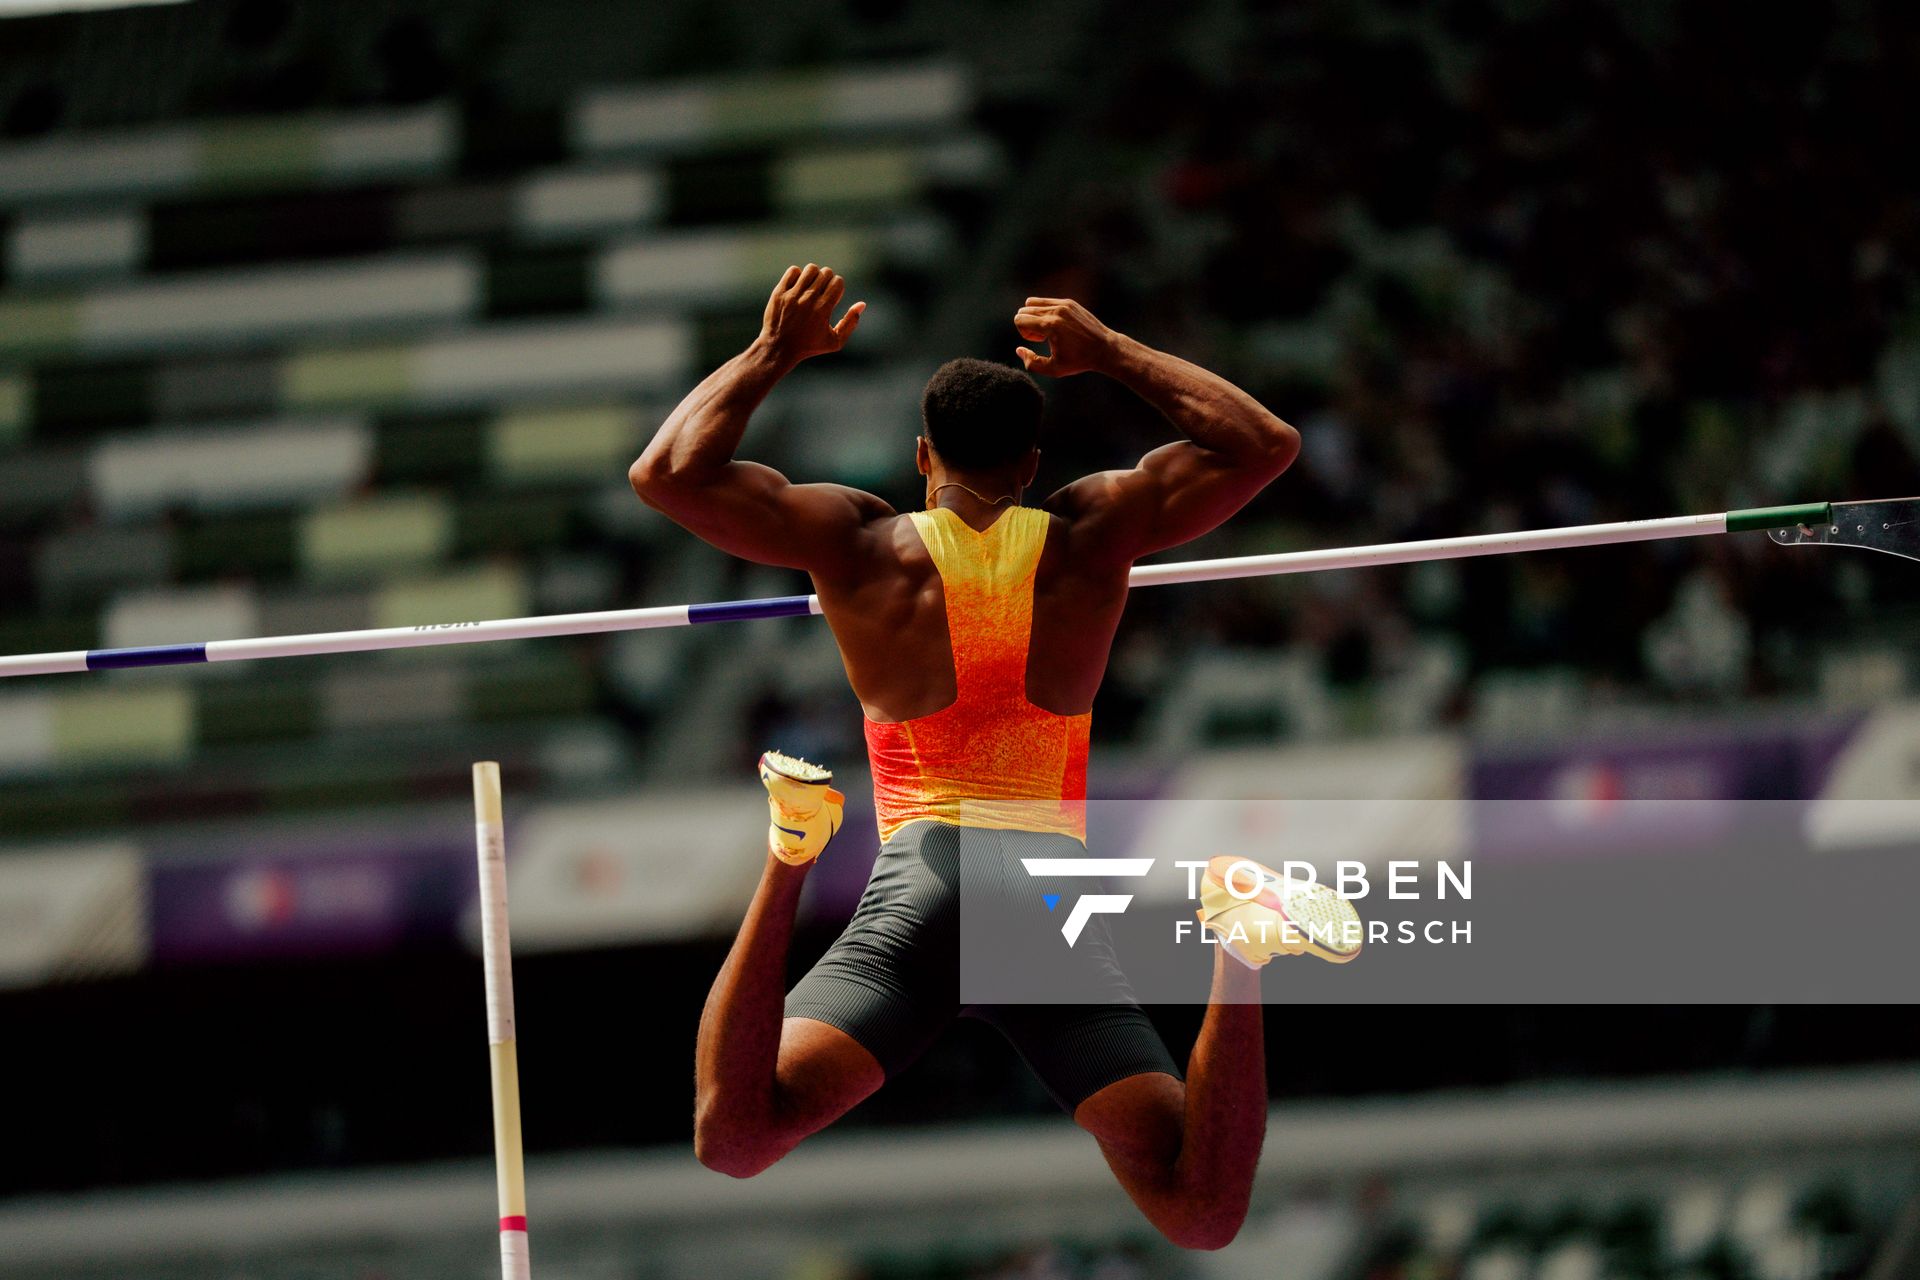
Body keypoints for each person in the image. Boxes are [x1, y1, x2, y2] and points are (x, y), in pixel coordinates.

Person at [631, 264, 1355, 1250]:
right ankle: (1240, 937)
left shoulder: (856, 541)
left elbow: (664, 475)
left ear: (921, 451)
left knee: (736, 1134)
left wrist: (774, 352)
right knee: (1202, 1207)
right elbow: (1264, 444)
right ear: (1032, 461)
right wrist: (1109, 351)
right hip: (1045, 893)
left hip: (928, 881)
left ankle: (792, 852)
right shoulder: (1092, 530)